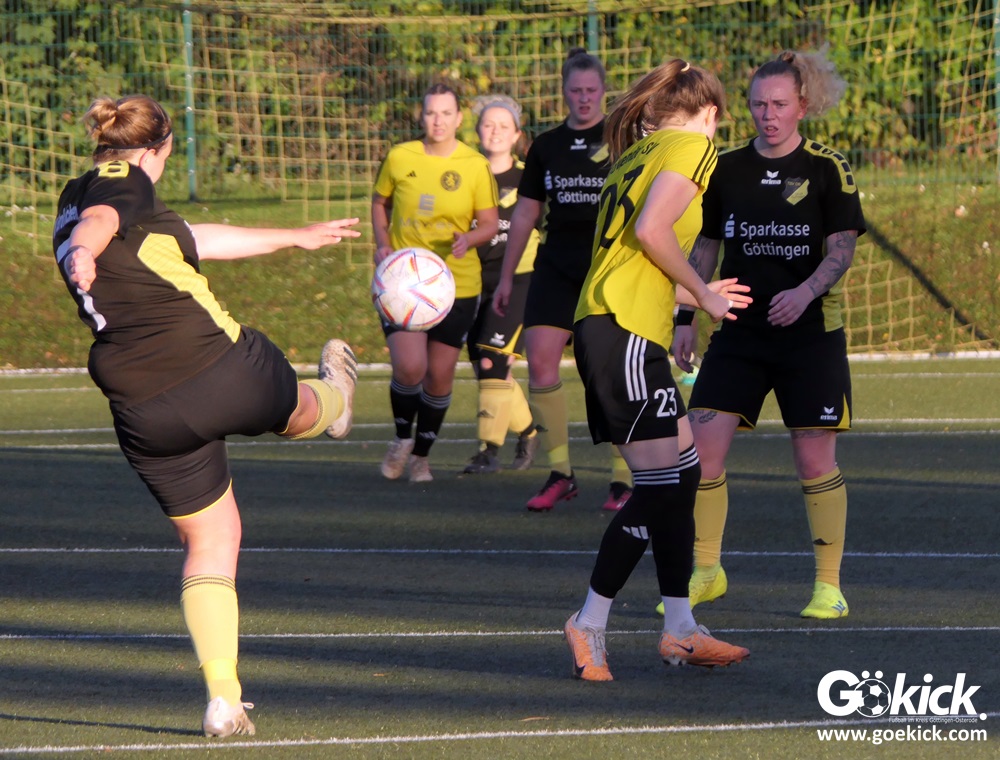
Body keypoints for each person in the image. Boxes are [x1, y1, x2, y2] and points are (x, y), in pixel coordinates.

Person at [51, 94, 361, 736]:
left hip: (142, 407)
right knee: (298, 409)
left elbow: (192, 239)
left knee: (212, 539)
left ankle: (224, 698)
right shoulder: (122, 181)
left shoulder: (75, 197)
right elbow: (102, 219)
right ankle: (336, 396)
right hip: (217, 364)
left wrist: (293, 236)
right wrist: (85, 248)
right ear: (157, 149)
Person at [564, 59, 752, 682]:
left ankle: (681, 629)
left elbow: (633, 260)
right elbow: (651, 232)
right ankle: (589, 621)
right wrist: (705, 292)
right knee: (661, 487)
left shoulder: (637, 156)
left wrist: (692, 295)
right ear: (711, 113)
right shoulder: (694, 148)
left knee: (684, 471)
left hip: (616, 324)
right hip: (621, 332)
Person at [669, 48, 866, 619]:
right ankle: (707, 572)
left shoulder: (828, 167)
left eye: (779, 104)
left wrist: (804, 293)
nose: (768, 114)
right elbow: (705, 247)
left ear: (802, 104)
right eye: (758, 104)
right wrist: (685, 317)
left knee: (813, 460)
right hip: (739, 335)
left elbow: (842, 249)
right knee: (701, 451)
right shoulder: (725, 168)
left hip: (811, 337)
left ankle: (828, 586)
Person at [494, 48, 633, 512]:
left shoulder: (623, 140)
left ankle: (623, 480)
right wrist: (507, 278)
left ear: (604, 91)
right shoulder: (547, 146)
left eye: (591, 90)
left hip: (607, 270)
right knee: (539, 363)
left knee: (610, 374)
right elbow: (526, 213)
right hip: (555, 267)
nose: (584, 98)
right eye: (576, 90)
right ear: (564, 92)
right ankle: (561, 473)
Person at [372, 83, 499, 483]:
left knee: (439, 376)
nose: (438, 121)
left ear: (459, 118)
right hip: (402, 284)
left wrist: (469, 239)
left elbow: (490, 223)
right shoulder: (400, 156)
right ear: (421, 116)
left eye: (446, 113)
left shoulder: (474, 164)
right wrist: (383, 244)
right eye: (431, 113)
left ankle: (421, 458)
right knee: (410, 367)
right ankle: (401, 438)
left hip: (456, 285)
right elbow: (379, 202)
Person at [461, 94, 540, 474]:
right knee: (484, 366)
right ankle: (529, 431)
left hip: (521, 278)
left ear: (516, 135)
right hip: (472, 280)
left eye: (503, 125)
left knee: (493, 359)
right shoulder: (465, 175)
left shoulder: (530, 178)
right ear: (477, 131)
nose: (495, 131)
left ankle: (487, 451)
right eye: (488, 124)